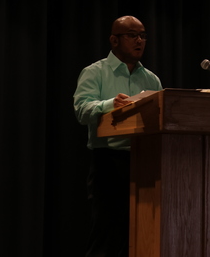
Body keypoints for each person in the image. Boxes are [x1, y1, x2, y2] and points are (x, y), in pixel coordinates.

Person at [73, 16, 162, 257]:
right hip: (109, 163)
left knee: (141, 233)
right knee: (107, 235)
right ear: (114, 40)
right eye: (132, 35)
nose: (140, 40)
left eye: (143, 35)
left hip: (145, 162)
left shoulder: (151, 79)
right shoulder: (95, 72)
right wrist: (110, 104)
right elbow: (82, 110)